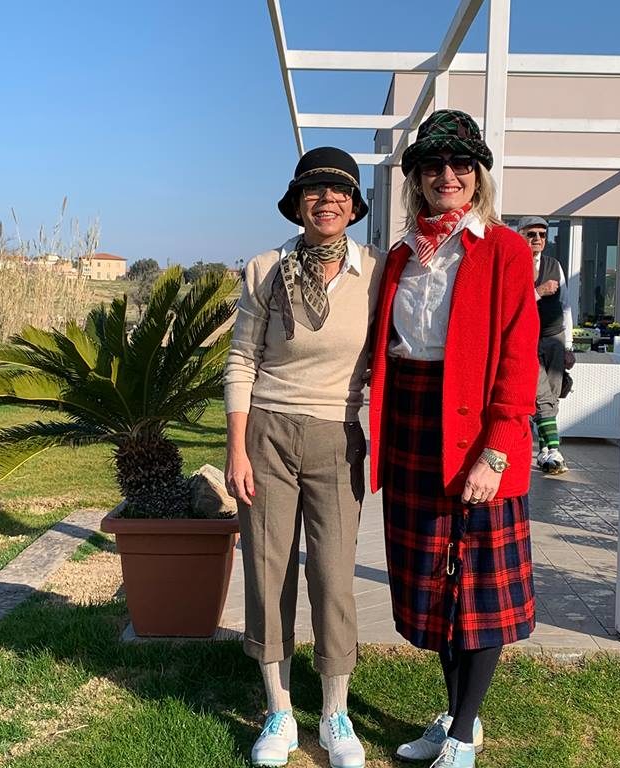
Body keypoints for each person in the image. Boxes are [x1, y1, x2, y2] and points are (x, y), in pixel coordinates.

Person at [367, 110, 539, 768]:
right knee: (438, 589)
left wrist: (496, 452)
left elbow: (519, 359)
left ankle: (464, 732)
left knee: (481, 590)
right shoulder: (400, 256)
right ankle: (455, 714)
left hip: (478, 433)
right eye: (433, 165)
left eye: (461, 164)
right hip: (413, 426)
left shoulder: (506, 250)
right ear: (415, 178)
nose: (448, 175)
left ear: (478, 176)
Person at [224, 147, 385, 768]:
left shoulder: (375, 270)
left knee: (334, 576)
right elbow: (242, 358)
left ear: (354, 205)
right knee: (268, 572)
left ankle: (336, 713)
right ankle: (280, 710)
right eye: (314, 191)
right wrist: (237, 449)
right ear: (297, 203)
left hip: (338, 435)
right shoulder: (266, 268)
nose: (327, 200)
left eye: (339, 191)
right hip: (267, 432)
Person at [517, 216, 576, 474]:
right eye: (532, 234)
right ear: (520, 235)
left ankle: (544, 452)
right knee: (540, 394)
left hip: (554, 337)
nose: (538, 239)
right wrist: (538, 291)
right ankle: (554, 450)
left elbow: (566, 305)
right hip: (526, 340)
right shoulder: (514, 264)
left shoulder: (554, 265)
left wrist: (569, 347)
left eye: (543, 234)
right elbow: (511, 304)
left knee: (552, 394)